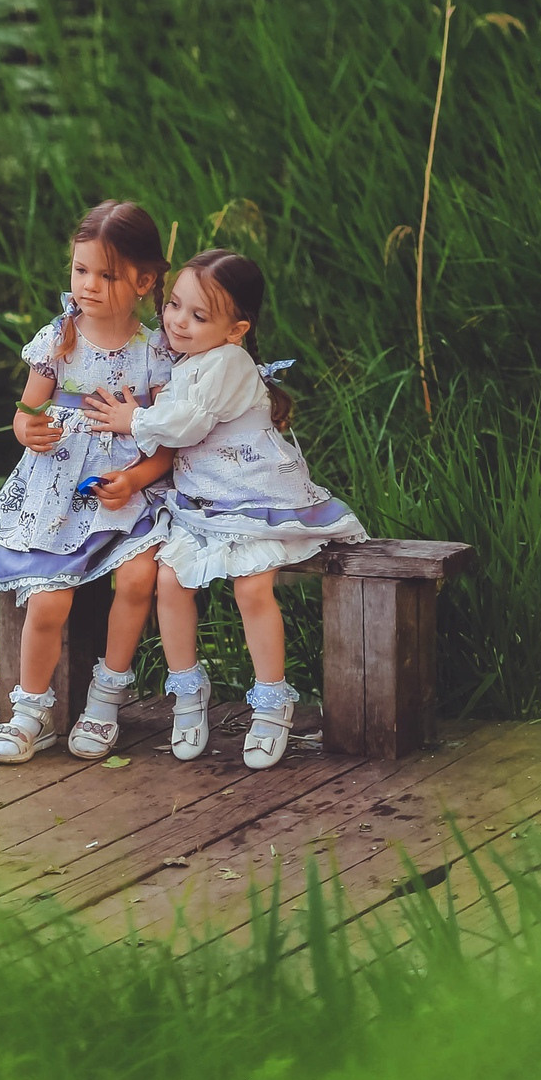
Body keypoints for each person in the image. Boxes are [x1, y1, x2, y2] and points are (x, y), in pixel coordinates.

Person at [87, 249, 367, 770]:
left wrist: (133, 420)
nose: (178, 322)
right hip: (204, 503)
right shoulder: (190, 360)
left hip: (254, 499)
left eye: (198, 316)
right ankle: (188, 694)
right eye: (173, 306)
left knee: (252, 585)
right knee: (171, 581)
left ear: (237, 329)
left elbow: (184, 427)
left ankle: (271, 702)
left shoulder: (229, 363)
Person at [0, 201, 178, 764]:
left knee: (139, 577)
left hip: (125, 494)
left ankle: (106, 699)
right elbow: (26, 409)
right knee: (47, 601)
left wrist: (135, 478)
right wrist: (27, 428)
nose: (88, 285)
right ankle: (30, 711)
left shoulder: (155, 355)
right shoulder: (59, 341)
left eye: (106, 274)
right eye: (80, 270)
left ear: (144, 280)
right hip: (57, 492)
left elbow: (167, 446)